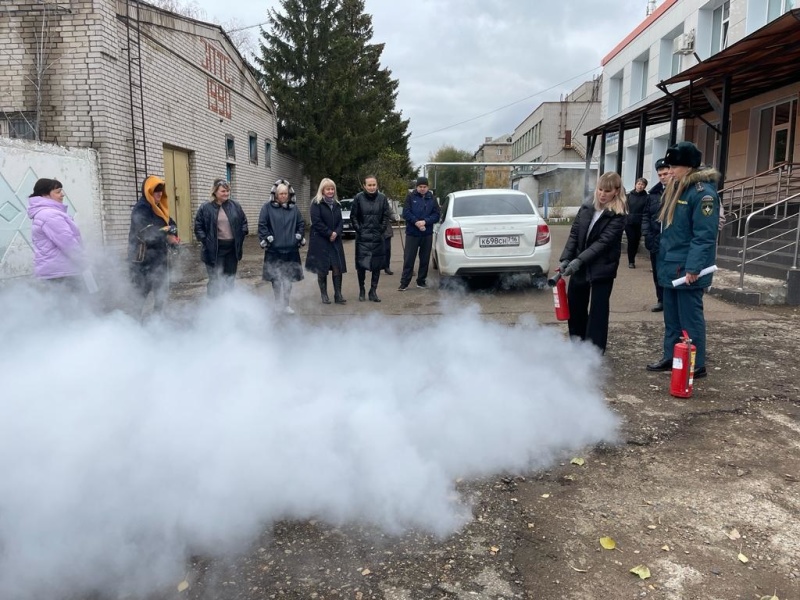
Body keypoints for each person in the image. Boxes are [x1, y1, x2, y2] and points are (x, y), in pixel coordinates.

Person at [646, 142, 720, 380]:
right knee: (672, 317)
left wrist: (694, 267)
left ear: (688, 166)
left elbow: (704, 236)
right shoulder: (677, 188)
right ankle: (672, 356)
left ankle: (695, 363)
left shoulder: (702, 194)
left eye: (674, 166)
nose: (670, 170)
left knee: (690, 317)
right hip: (670, 263)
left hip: (687, 268)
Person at [558, 171, 627, 353]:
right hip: (579, 264)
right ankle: (577, 344)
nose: (602, 194)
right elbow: (574, 233)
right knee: (575, 305)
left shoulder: (618, 214)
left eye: (607, 191)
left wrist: (579, 260)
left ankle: (594, 351)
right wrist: (566, 258)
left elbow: (603, 243)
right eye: (600, 189)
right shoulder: (587, 207)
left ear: (616, 191)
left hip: (602, 267)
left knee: (598, 310)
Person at [128, 175, 179, 316]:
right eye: (156, 191)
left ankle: (157, 323)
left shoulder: (159, 207)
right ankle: (133, 325)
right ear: (148, 191)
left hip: (159, 258)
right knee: (140, 294)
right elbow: (145, 232)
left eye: (161, 190)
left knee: (161, 291)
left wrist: (172, 232)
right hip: (143, 260)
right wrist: (167, 234)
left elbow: (171, 223)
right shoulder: (141, 208)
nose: (160, 194)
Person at [26, 178, 85, 290]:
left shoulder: (46, 213)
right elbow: (68, 243)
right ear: (45, 194)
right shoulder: (49, 215)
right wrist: (85, 261)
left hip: (56, 271)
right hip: (61, 273)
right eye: (58, 192)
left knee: (60, 305)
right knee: (70, 305)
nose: (62, 195)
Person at [194, 178, 248, 297]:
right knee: (215, 280)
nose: (226, 193)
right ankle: (213, 307)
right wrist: (206, 240)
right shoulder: (205, 207)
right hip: (214, 250)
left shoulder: (235, 206)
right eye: (223, 191)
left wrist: (242, 233)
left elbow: (243, 221)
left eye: (227, 191)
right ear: (215, 192)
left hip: (232, 249)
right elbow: (198, 226)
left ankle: (228, 305)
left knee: (229, 279)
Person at [258, 180, 305, 314]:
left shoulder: (294, 209)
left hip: (291, 249)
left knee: (288, 278)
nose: (283, 196)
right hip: (274, 250)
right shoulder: (267, 208)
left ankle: (286, 305)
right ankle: (278, 303)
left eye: (285, 193)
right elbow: (262, 225)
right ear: (276, 194)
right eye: (281, 193)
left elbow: (301, 224)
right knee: (276, 279)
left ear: (289, 195)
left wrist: (299, 235)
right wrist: (267, 237)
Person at [305, 178, 347, 304]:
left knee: (337, 267)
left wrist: (336, 232)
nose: (330, 191)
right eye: (328, 189)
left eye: (332, 189)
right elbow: (316, 222)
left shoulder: (337, 204)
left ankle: (338, 295)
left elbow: (340, 221)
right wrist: (329, 233)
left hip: (335, 241)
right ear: (322, 190)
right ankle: (324, 295)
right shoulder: (316, 203)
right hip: (320, 241)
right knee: (322, 268)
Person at [351, 175, 392, 302]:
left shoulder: (382, 198)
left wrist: (381, 229)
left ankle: (373, 291)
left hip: (377, 237)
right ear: (364, 186)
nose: (372, 187)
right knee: (361, 266)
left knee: (376, 265)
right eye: (369, 185)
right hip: (362, 238)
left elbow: (386, 215)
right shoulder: (358, 198)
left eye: (374, 185)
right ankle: (362, 290)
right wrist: (359, 229)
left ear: (377, 185)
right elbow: (354, 216)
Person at [398, 176, 440, 291]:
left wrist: (425, 221)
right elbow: (406, 213)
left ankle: (421, 281)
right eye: (420, 187)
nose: (422, 189)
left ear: (428, 187)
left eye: (424, 187)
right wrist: (416, 222)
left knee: (425, 259)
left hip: (427, 234)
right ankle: (404, 283)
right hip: (412, 233)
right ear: (416, 187)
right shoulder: (410, 197)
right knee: (409, 258)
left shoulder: (432, 198)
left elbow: (437, 215)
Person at [642, 159, 671, 312]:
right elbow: (646, 215)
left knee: (670, 272)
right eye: (660, 174)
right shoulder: (653, 194)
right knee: (658, 272)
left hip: (672, 241)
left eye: (665, 174)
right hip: (655, 239)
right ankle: (661, 300)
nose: (662, 177)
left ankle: (671, 301)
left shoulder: (678, 191)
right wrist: (646, 233)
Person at [625, 177, 648, 268]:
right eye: (639, 184)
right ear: (635, 185)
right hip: (629, 222)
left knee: (636, 241)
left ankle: (633, 256)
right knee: (631, 240)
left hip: (640, 222)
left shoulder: (647, 197)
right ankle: (631, 261)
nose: (640, 186)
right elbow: (624, 208)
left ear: (645, 186)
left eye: (642, 184)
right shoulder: (628, 196)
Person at [383, 199, 400, 275]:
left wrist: (395, 216)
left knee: (387, 249)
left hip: (386, 230)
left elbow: (391, 214)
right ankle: (375, 267)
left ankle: (387, 266)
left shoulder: (384, 202)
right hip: (374, 231)